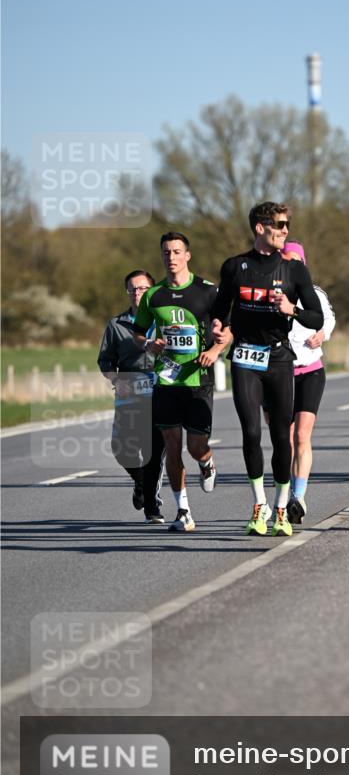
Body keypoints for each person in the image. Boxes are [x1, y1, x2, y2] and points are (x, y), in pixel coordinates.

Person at [211, 203, 324, 538]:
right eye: (279, 224)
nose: (286, 230)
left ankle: (281, 507)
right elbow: (220, 310)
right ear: (260, 228)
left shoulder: (294, 271)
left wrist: (293, 310)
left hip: (278, 359)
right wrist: (218, 327)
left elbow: (315, 317)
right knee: (251, 433)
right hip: (245, 355)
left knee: (281, 437)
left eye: (288, 224)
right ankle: (259, 505)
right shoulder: (235, 267)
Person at [132, 232, 224, 533]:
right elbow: (139, 332)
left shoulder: (208, 292)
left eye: (176, 251)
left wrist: (214, 350)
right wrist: (149, 345)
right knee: (172, 446)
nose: (170, 257)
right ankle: (183, 510)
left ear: (188, 255)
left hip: (198, 379)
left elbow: (230, 330)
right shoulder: (152, 295)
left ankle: (206, 461)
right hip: (166, 380)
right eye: (166, 252)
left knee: (196, 447)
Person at [98, 270, 165, 522]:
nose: (137, 293)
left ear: (151, 291)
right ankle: (140, 481)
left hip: (160, 390)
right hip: (129, 391)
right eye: (132, 289)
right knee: (121, 448)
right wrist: (116, 379)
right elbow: (105, 361)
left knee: (154, 450)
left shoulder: (163, 321)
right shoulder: (116, 325)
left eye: (142, 289)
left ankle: (152, 506)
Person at [280, 240, 336, 525]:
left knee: (302, 436)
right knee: (286, 441)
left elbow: (329, 319)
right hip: (280, 373)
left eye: (295, 262)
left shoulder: (314, 293)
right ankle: (286, 493)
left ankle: (298, 498)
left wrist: (322, 335)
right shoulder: (273, 294)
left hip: (311, 370)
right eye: (285, 262)